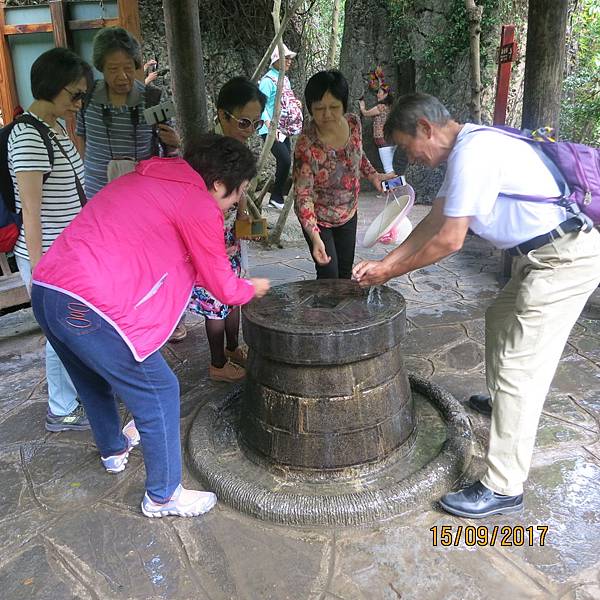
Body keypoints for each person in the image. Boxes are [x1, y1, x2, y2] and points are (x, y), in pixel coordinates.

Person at [352, 93, 600, 519]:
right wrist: (385, 263)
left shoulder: (474, 152)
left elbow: (450, 240)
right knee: (499, 317)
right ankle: (503, 401)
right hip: (538, 256)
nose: (413, 159)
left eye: (409, 148)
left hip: (564, 259)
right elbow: (434, 222)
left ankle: (504, 485)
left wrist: (390, 274)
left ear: (426, 129)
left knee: (523, 367)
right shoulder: (466, 150)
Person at [30, 134, 271, 518]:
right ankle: (162, 495)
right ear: (220, 184)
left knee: (91, 379)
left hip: (47, 290)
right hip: (89, 304)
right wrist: (252, 287)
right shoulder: (197, 202)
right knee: (159, 389)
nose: (237, 202)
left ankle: (113, 450)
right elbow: (222, 285)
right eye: (237, 193)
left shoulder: (149, 178)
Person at [76, 26, 184, 342]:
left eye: (128, 67)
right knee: (108, 256)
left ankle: (164, 316)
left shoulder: (153, 97)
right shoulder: (86, 99)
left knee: (149, 255)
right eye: (113, 69)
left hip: (141, 195)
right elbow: (81, 137)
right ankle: (117, 315)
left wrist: (174, 142)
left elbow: (172, 147)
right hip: (100, 192)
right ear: (100, 68)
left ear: (137, 65)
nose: (122, 76)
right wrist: (93, 171)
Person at [8, 47, 91, 432]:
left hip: (68, 252)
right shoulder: (28, 135)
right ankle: (60, 408)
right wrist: (41, 272)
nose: (80, 102)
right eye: (75, 94)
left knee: (73, 327)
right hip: (47, 258)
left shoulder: (55, 127)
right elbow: (31, 210)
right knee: (60, 331)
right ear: (53, 87)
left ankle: (76, 394)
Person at [189, 77, 267, 382]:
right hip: (210, 242)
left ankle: (234, 349)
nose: (249, 131)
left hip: (231, 241)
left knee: (233, 296)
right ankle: (217, 363)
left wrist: (244, 215)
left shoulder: (238, 150)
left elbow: (241, 195)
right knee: (215, 302)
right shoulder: (207, 152)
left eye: (256, 124)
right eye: (244, 122)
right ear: (223, 115)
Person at [293, 70, 392, 279]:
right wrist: (314, 236)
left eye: (334, 107)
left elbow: (357, 154)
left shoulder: (353, 123)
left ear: (344, 105)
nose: (327, 115)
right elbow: (303, 195)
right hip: (319, 219)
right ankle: (324, 312)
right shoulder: (306, 145)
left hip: (349, 212)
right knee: (329, 274)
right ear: (310, 108)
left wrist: (374, 175)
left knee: (345, 272)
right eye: (319, 109)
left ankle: (342, 313)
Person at [258, 43, 302, 210]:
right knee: (284, 160)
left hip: (283, 129)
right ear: (277, 60)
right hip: (269, 129)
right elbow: (261, 106)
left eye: (290, 58)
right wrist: (270, 128)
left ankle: (276, 198)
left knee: (284, 162)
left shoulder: (285, 79)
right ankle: (276, 196)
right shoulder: (268, 81)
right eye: (286, 58)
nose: (290, 61)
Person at [359, 84, 397, 174]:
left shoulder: (381, 107)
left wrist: (362, 107)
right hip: (391, 140)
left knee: (388, 170)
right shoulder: (391, 106)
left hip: (384, 142)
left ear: (386, 94)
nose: (377, 95)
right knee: (394, 169)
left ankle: (395, 187)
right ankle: (400, 187)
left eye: (379, 92)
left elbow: (366, 113)